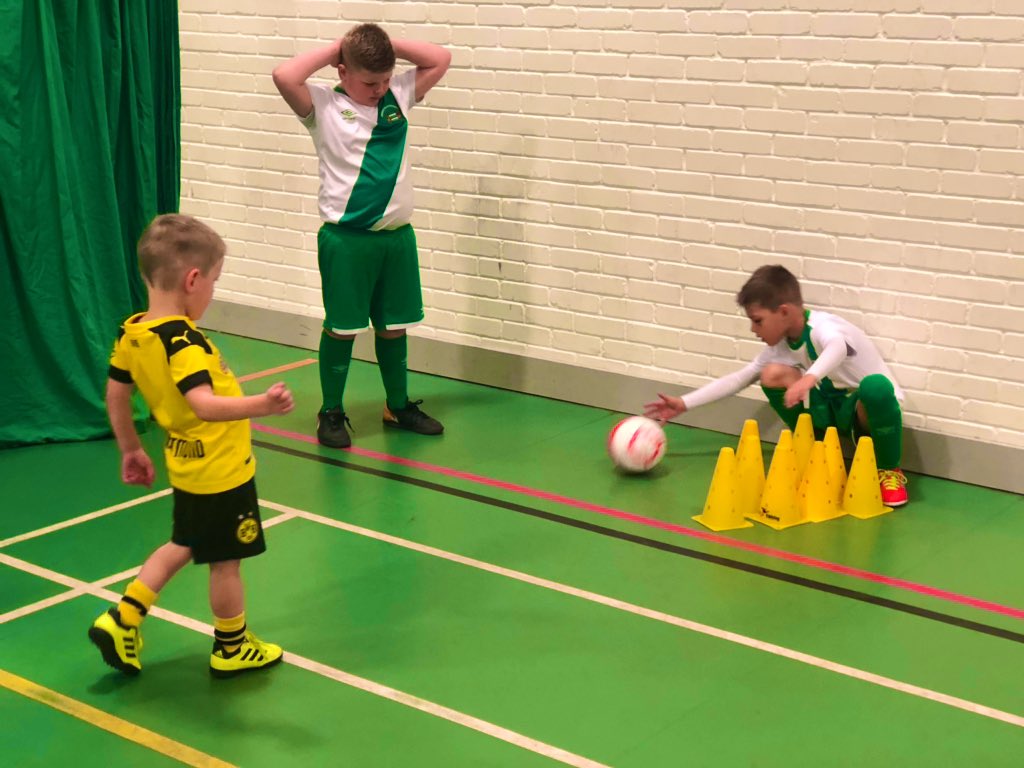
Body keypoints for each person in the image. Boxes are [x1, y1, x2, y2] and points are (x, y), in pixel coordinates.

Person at [88, 214, 295, 678]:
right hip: (221, 471)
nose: (213, 293)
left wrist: (130, 449)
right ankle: (232, 644)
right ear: (193, 279)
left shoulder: (133, 333)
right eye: (214, 282)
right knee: (226, 562)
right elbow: (202, 403)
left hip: (185, 465)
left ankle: (123, 617)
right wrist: (260, 404)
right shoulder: (184, 341)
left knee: (184, 541)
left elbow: (116, 394)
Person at [271, 23, 451, 449]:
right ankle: (331, 411)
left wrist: (385, 45)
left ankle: (398, 405)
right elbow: (284, 75)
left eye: (386, 79)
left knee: (394, 326)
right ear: (341, 71)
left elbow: (440, 58)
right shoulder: (322, 106)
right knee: (343, 328)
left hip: (395, 239)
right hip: (347, 241)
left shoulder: (399, 98)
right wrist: (339, 45)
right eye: (370, 81)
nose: (380, 88)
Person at [645, 264, 909, 507]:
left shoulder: (822, 327)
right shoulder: (780, 346)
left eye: (757, 320)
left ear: (784, 312)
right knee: (770, 374)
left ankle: (889, 471)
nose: (752, 328)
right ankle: (814, 449)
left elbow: (837, 347)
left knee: (876, 387)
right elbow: (739, 379)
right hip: (833, 410)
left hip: (863, 413)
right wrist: (684, 403)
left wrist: (808, 378)